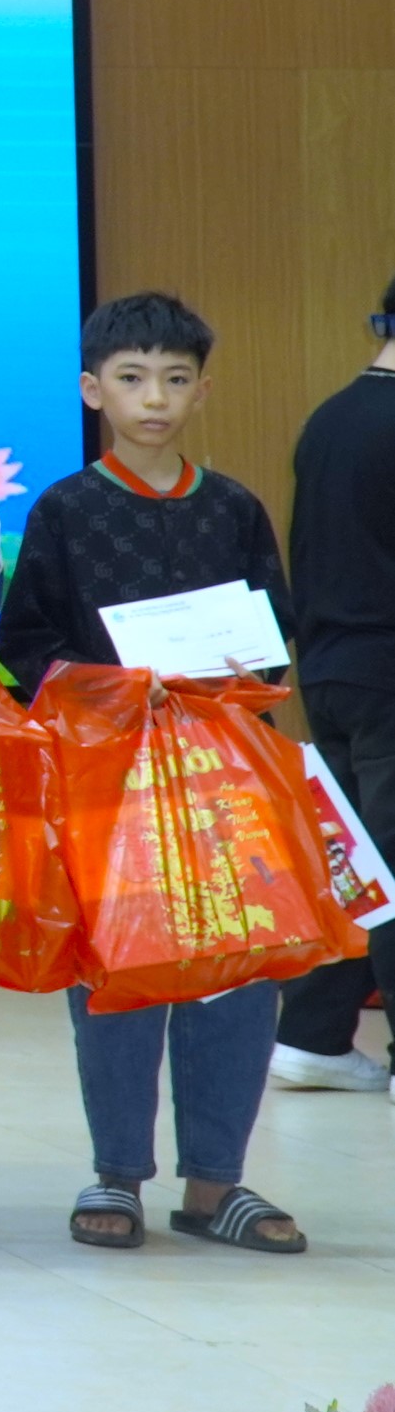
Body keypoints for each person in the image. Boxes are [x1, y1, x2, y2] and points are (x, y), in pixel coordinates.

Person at [0, 291, 307, 1253]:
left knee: (235, 967)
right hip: (109, 777)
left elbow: (273, 634)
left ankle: (216, 1182)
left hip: (222, 777)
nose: (154, 399)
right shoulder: (65, 508)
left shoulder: (233, 506)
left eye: (175, 379)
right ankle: (116, 1172)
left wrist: (236, 670)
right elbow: (24, 644)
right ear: (92, 390)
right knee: (117, 970)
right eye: (131, 379)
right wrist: (110, 689)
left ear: (202, 389)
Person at [273, 269, 395, 1094]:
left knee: (358, 861)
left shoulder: (330, 417)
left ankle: (312, 1035)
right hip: (386, 670)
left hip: (329, 668)